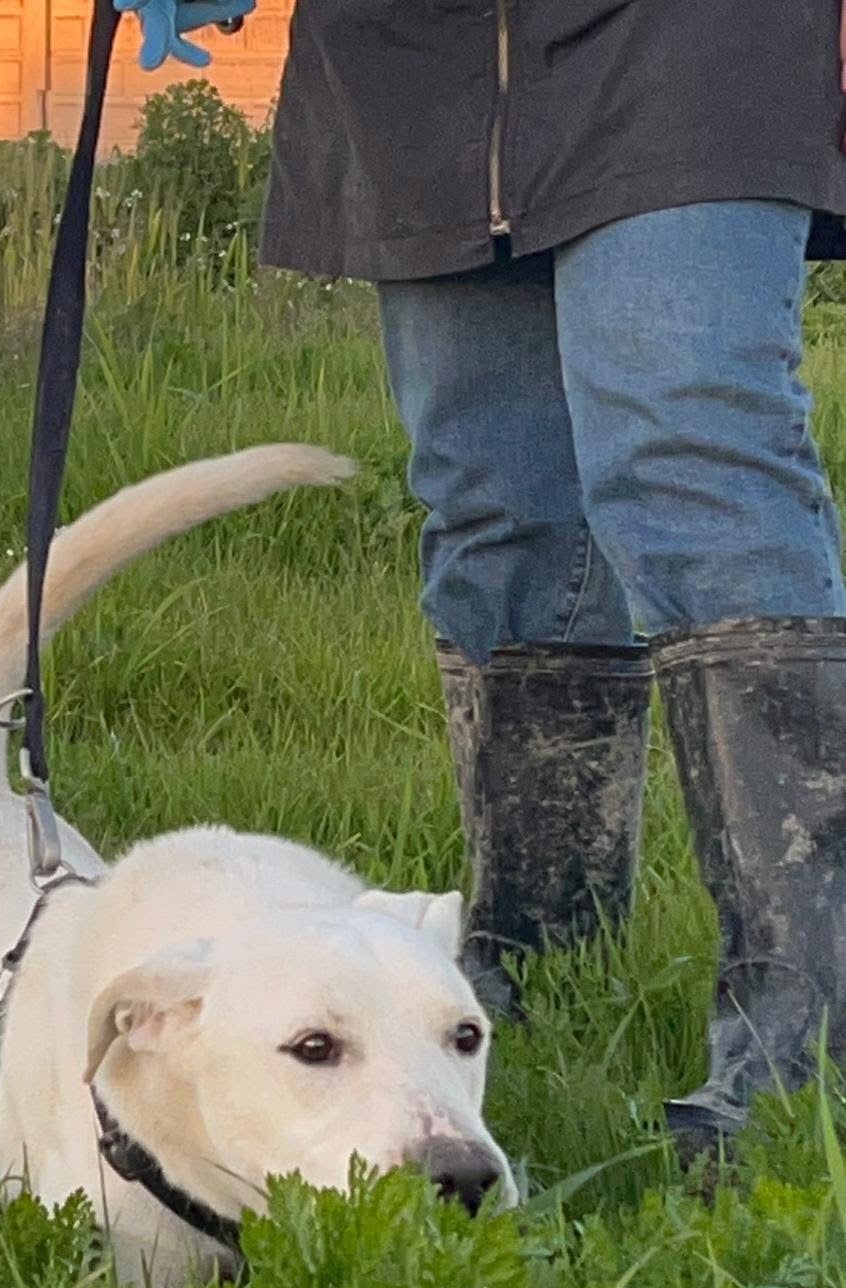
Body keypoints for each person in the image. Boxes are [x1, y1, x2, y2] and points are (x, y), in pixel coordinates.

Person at [120, 0, 846, 1157]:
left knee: (695, 448)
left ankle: (807, 1052)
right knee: (493, 496)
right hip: (422, 52)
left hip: (691, 38)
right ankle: (543, 973)